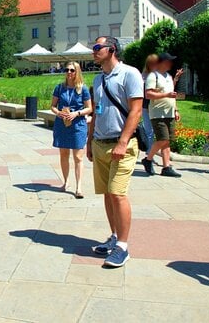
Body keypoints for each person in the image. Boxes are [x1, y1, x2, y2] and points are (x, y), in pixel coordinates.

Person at [86, 36, 143, 268]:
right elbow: (96, 113)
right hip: (100, 143)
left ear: (112, 50)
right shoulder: (98, 79)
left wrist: (123, 141)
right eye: (94, 48)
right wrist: (90, 141)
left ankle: (123, 246)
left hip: (122, 145)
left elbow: (136, 111)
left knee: (118, 194)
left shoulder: (130, 74)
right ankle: (114, 237)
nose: (94, 51)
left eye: (98, 48)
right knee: (108, 194)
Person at [50, 61, 92, 198]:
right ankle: (66, 181)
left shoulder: (83, 89)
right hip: (62, 124)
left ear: (77, 72)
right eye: (67, 70)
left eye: (72, 70)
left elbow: (89, 108)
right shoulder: (59, 88)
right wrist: (58, 113)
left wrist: (77, 113)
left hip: (78, 124)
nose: (69, 72)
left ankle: (79, 186)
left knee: (78, 156)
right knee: (63, 154)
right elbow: (53, 106)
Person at [141, 52, 181, 177]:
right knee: (163, 139)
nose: (171, 63)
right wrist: (166, 95)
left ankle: (166, 167)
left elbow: (171, 94)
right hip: (158, 113)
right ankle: (148, 159)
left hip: (169, 113)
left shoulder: (168, 76)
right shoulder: (153, 76)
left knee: (167, 141)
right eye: (169, 61)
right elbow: (148, 94)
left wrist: (175, 109)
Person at [141, 54, 159, 152]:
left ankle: (150, 150)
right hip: (146, 106)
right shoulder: (144, 76)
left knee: (155, 130)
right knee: (149, 130)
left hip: (157, 106)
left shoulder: (159, 75)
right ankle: (149, 150)